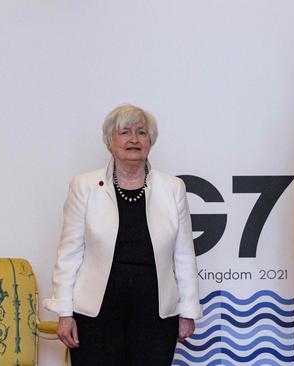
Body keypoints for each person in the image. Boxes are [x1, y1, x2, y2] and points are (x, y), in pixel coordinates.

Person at [45, 104, 202, 365]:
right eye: (125, 132)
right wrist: (64, 312)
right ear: (109, 141)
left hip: (155, 314)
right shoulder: (84, 186)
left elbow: (184, 254)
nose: (133, 139)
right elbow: (69, 253)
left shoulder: (173, 188)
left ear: (150, 141)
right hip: (95, 313)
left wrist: (187, 311)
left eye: (141, 132)